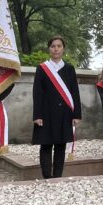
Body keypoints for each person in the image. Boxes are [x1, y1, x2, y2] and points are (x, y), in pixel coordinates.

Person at [31, 36, 82, 179]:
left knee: (60, 145)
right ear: (49, 48)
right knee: (46, 145)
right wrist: (37, 115)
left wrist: (76, 114)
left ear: (63, 49)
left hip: (64, 113)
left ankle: (57, 176)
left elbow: (74, 92)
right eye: (53, 46)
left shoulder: (69, 68)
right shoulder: (42, 68)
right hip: (46, 113)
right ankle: (47, 177)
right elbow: (37, 93)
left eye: (59, 46)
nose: (56, 49)